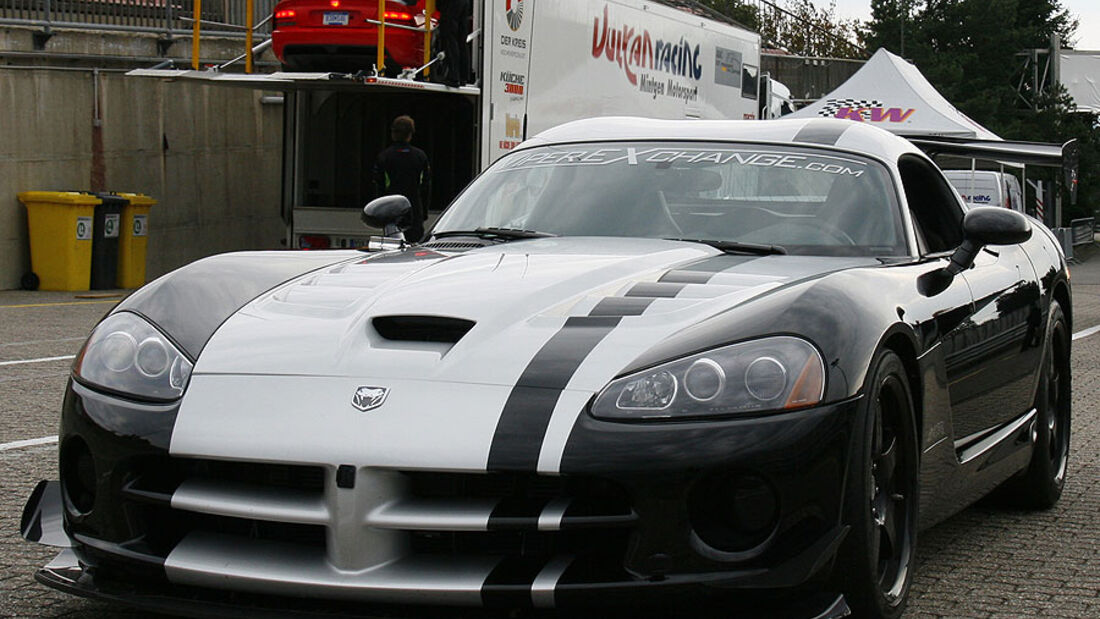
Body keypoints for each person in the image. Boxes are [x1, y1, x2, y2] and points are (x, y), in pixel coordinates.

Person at [373, 115, 432, 242]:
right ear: (410, 134)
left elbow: (379, 186)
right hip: (414, 212)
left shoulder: (384, 157)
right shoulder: (420, 156)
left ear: (393, 133)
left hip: (391, 215)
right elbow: (425, 187)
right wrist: (423, 213)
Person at [435, 0, 471, 86]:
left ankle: (453, 77)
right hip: (464, 3)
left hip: (452, 4)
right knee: (461, 40)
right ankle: (463, 76)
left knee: (449, 37)